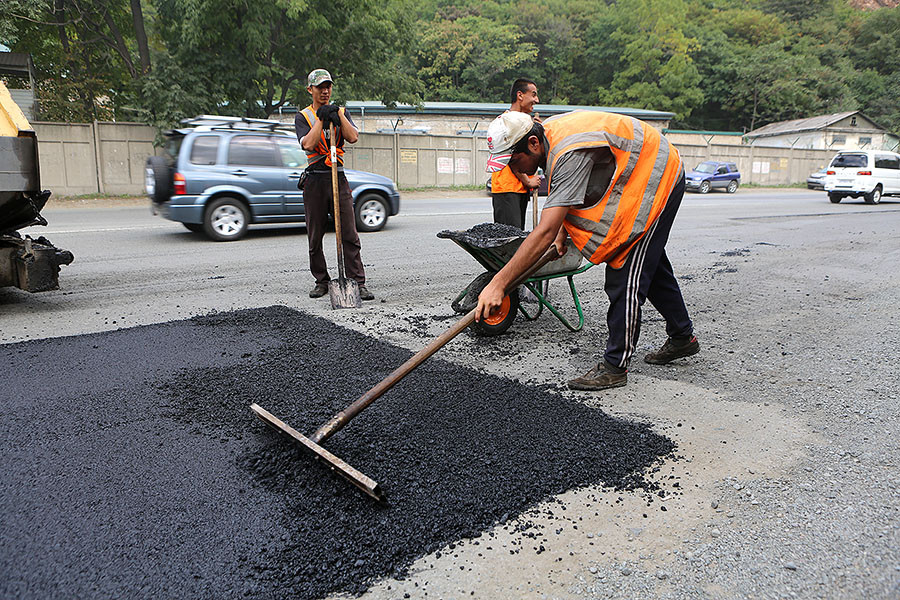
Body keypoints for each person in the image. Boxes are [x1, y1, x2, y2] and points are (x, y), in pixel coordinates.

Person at [476, 110, 699, 390]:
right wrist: (560, 230)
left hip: (657, 173)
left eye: (513, 159)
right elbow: (564, 199)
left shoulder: (567, 152)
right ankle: (682, 336)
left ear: (533, 144)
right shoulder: (548, 139)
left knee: (626, 267)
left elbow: (543, 231)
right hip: (639, 169)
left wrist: (499, 283)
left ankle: (616, 366)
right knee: (649, 262)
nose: (511, 167)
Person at [294, 68, 374, 300]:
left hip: (337, 176)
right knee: (315, 234)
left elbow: (353, 137)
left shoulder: (342, 112)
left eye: (328, 86)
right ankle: (322, 281)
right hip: (315, 179)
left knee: (349, 232)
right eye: (320, 87)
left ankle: (357, 281)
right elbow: (308, 144)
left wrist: (337, 116)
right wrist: (321, 119)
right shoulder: (303, 116)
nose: (325, 91)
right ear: (311, 90)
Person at [489, 78, 542, 229]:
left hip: (518, 188)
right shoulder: (507, 122)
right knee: (509, 240)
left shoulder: (524, 122)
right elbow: (512, 157)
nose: (536, 100)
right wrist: (528, 181)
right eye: (533, 94)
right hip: (507, 188)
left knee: (517, 237)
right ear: (520, 95)